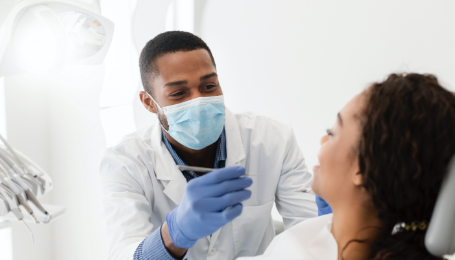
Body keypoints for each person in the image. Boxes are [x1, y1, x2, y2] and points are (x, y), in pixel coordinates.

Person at [99, 31, 320, 260]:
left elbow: (313, 234)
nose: (198, 101)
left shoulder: (273, 139)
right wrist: (173, 235)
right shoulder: (126, 163)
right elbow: (123, 252)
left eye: (208, 86)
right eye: (179, 93)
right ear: (149, 103)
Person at [238, 73, 455, 260]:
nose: (323, 140)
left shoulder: (304, 248)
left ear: (362, 168)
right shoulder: (311, 236)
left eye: (332, 133)